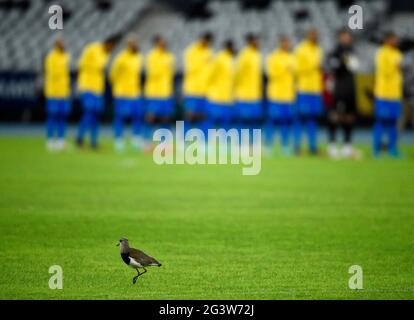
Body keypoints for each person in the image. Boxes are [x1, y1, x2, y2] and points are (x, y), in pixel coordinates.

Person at [76, 36, 116, 149]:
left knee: (95, 115)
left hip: (98, 89)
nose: (111, 50)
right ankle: (79, 139)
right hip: (87, 86)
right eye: (111, 47)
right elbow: (81, 64)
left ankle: (94, 142)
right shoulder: (92, 48)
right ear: (108, 43)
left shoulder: (105, 54)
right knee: (89, 112)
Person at [327, 29, 360, 159]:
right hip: (339, 90)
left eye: (348, 37)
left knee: (350, 117)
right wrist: (342, 63)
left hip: (350, 89)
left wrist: (350, 63)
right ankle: (332, 146)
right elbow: (333, 68)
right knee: (335, 117)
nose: (347, 39)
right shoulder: (335, 53)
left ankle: (347, 146)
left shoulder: (352, 52)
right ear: (339, 38)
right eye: (344, 37)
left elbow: (355, 67)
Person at [109, 38, 144, 152]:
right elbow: (113, 74)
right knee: (120, 116)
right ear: (128, 45)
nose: (135, 45)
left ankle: (136, 138)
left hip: (134, 92)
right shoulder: (121, 58)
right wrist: (119, 86)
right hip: (122, 92)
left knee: (137, 115)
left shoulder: (138, 57)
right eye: (132, 43)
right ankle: (119, 139)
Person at [264, 35, 296, 156]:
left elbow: (295, 75)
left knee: (286, 122)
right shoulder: (273, 57)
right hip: (275, 95)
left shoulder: (292, 57)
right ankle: (268, 146)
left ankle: (285, 146)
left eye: (288, 43)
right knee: (272, 121)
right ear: (280, 43)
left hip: (288, 95)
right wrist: (284, 68)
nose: (286, 45)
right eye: (284, 43)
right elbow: (270, 73)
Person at [294, 28, 324, 155]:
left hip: (315, 89)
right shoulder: (300, 49)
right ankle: (297, 147)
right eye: (312, 34)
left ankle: (312, 147)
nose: (314, 36)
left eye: (315, 34)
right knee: (301, 119)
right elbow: (297, 69)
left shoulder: (318, 50)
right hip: (304, 89)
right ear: (308, 35)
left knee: (313, 119)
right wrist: (313, 66)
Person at [373, 31, 403, 157]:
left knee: (393, 122)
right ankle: (376, 150)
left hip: (395, 94)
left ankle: (392, 149)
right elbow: (383, 71)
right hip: (383, 93)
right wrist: (395, 66)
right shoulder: (381, 53)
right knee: (381, 121)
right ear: (387, 40)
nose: (396, 41)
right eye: (393, 39)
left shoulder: (397, 53)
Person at [206, 40, 236, 151]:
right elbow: (210, 74)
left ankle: (224, 144)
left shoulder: (231, 59)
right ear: (228, 46)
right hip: (216, 95)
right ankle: (205, 143)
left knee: (226, 120)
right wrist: (212, 89)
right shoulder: (218, 58)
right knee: (212, 119)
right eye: (232, 46)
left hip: (227, 96)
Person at [144, 35, 175, 143]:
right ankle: (147, 141)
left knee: (166, 118)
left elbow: (170, 75)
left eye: (164, 43)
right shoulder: (152, 56)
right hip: (154, 92)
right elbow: (153, 73)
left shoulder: (169, 57)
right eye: (161, 43)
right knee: (151, 117)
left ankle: (165, 143)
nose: (164, 45)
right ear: (156, 44)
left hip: (166, 92)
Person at [234, 33, 263, 149]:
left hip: (255, 94)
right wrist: (237, 90)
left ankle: (254, 145)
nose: (258, 43)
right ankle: (241, 145)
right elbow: (236, 74)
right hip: (244, 94)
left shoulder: (257, 55)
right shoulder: (244, 55)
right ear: (251, 41)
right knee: (243, 120)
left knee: (254, 121)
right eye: (256, 40)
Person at [182, 32, 214, 133]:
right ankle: (184, 135)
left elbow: (210, 70)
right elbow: (190, 68)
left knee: (204, 114)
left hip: (205, 90)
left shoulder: (209, 52)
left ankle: (205, 138)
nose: (207, 43)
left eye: (208, 41)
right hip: (192, 89)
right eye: (205, 40)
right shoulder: (191, 51)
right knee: (189, 114)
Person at [44, 38, 71, 151]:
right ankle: (50, 140)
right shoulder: (51, 57)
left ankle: (60, 140)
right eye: (60, 43)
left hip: (63, 92)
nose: (63, 45)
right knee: (52, 116)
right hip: (53, 93)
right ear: (56, 44)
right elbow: (52, 74)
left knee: (62, 117)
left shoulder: (65, 57)